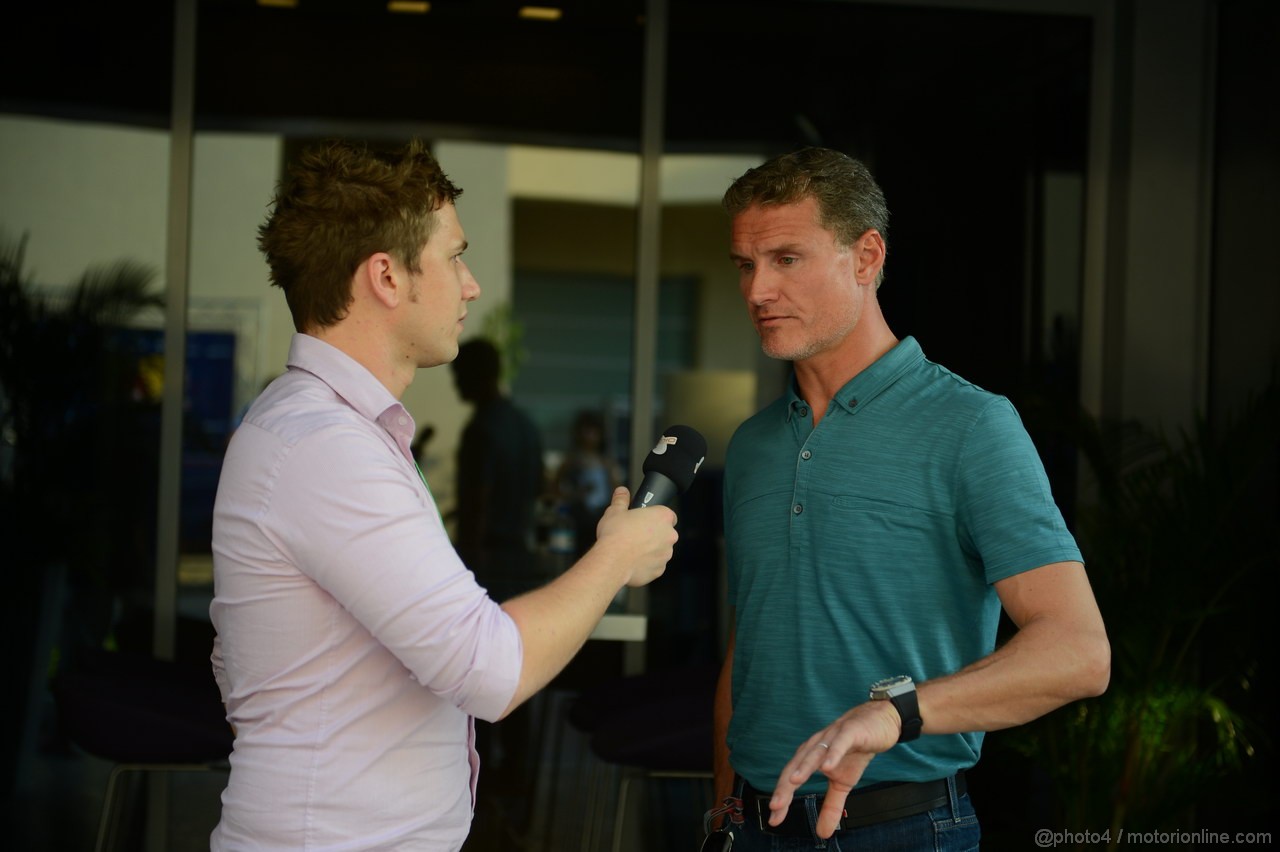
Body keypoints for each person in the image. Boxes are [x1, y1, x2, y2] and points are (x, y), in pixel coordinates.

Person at [208, 139, 678, 851]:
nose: (471, 285)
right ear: (387, 278)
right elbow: (487, 669)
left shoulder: (327, 430)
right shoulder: (327, 445)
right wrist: (614, 557)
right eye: (455, 255)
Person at [710, 147, 1110, 850]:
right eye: (746, 264)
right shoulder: (752, 447)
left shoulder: (971, 426)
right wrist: (722, 813)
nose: (757, 291)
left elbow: (1078, 651)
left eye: (786, 259)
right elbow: (749, 650)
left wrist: (897, 713)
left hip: (902, 826)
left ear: (866, 258)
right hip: (754, 824)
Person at [450, 337, 544, 601]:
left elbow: (476, 507)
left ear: (476, 375)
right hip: (521, 558)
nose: (455, 384)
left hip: (483, 564)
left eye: (458, 374)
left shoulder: (480, 430)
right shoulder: (526, 425)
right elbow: (539, 488)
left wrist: (462, 563)